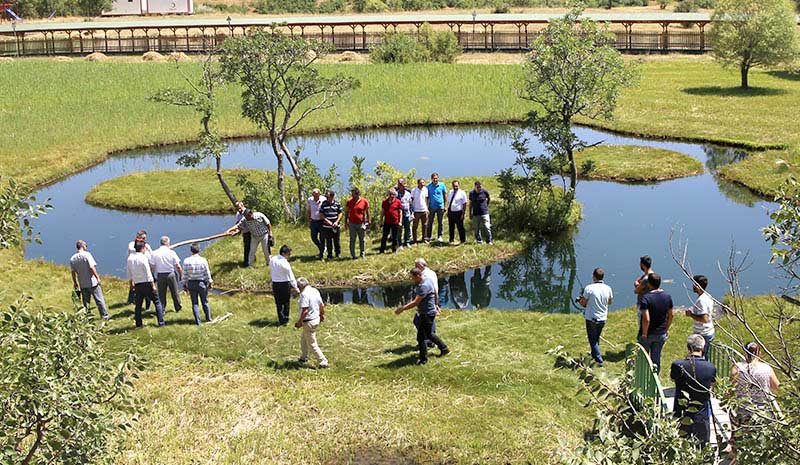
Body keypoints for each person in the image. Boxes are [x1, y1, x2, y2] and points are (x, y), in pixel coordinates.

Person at [730, 342, 780, 459]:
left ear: (744, 353)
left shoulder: (737, 368)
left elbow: (729, 390)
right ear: (759, 353)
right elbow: (777, 387)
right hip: (762, 413)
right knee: (760, 443)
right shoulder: (766, 369)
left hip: (742, 412)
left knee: (739, 444)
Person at [394, 268, 450, 365]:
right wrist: (436, 305)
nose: (412, 280)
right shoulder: (428, 280)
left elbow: (416, 302)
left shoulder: (423, 286)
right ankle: (444, 348)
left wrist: (402, 308)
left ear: (418, 276)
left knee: (421, 337)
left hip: (427, 313)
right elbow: (435, 293)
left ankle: (423, 359)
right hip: (428, 312)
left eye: (413, 278)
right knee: (429, 334)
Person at [670, 335, 717, 445]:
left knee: (681, 444)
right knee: (702, 445)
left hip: (682, 411)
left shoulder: (678, 365)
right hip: (702, 413)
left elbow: (672, 378)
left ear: (688, 347)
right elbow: (713, 383)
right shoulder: (710, 367)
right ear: (703, 348)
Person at [638, 273, 673, 372]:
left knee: (643, 359)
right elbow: (671, 315)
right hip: (661, 333)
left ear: (649, 284)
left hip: (648, 333)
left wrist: (644, 334)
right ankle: (655, 380)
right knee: (656, 359)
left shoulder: (646, 298)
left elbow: (646, 319)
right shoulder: (667, 297)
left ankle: (643, 378)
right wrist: (666, 329)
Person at [578, 267, 613, 367]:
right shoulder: (608, 288)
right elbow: (609, 302)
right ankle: (594, 355)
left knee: (592, 340)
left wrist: (580, 301)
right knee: (596, 337)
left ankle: (599, 360)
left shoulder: (589, 288)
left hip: (591, 318)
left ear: (593, 277)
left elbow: (584, 304)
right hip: (602, 318)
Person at [126, 241, 165, 328]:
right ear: (142, 248)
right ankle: (161, 322)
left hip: (137, 284)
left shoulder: (129, 258)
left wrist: (131, 283)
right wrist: (153, 285)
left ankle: (138, 324)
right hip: (146, 283)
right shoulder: (143, 258)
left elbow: (129, 273)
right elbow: (148, 273)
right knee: (157, 302)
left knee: (138, 305)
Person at [69, 240, 109, 320]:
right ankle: (104, 316)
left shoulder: (73, 258)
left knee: (86, 302)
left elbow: (73, 272)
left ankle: (87, 317)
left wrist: (75, 282)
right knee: (99, 299)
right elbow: (92, 267)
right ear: (83, 246)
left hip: (82, 283)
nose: (86, 247)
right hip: (92, 282)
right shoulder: (87, 255)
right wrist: (97, 277)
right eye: (86, 245)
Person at [294, 277, 329, 369]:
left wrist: (299, 322)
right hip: (316, 319)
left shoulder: (304, 295)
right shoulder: (314, 291)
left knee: (312, 343)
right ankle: (303, 357)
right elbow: (321, 305)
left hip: (308, 322)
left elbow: (305, 311)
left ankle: (323, 362)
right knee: (304, 339)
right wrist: (322, 315)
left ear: (300, 286)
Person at [149, 236, 183, 312]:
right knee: (175, 292)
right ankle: (178, 307)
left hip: (160, 275)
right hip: (171, 274)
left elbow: (152, 267)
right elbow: (178, 266)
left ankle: (162, 308)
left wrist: (152, 276)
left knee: (161, 293)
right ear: (168, 243)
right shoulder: (172, 252)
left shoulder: (155, 253)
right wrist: (181, 275)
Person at [182, 243, 213, 326]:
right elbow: (207, 272)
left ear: (191, 251)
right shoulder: (203, 260)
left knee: (194, 303)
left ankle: (198, 322)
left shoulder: (186, 261)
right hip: (201, 283)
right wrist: (210, 282)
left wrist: (184, 284)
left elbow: (184, 274)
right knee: (205, 301)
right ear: (199, 250)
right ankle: (208, 318)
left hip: (191, 283)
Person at [686, 274, 715, 360]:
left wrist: (691, 314)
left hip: (703, 333)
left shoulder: (701, 301)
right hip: (708, 331)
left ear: (698, 286)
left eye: (694, 284)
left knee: (702, 358)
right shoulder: (707, 296)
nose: (693, 286)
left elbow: (704, 319)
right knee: (706, 356)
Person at [270, 245, 299, 326]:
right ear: (283, 253)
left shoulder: (273, 259)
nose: (289, 256)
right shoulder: (285, 263)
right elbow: (291, 276)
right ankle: (285, 319)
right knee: (286, 302)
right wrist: (295, 287)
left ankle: (281, 319)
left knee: (278, 302)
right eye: (288, 254)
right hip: (284, 283)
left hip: (275, 283)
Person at [415, 258, 439, 348]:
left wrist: (436, 304)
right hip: (429, 302)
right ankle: (428, 341)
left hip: (427, 303)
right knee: (426, 322)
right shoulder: (432, 272)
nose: (415, 267)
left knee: (424, 322)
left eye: (416, 266)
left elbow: (434, 290)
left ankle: (430, 342)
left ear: (421, 266)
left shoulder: (426, 276)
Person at [126, 230, 152, 308]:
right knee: (133, 283)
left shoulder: (147, 246)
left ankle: (147, 304)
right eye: (142, 238)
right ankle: (131, 300)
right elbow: (132, 251)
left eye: (145, 238)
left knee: (146, 285)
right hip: (134, 265)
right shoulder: (131, 244)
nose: (144, 240)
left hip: (144, 266)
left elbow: (151, 255)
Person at [346, 187, 370, 259]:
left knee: (362, 240)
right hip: (352, 223)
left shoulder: (364, 201)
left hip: (361, 223)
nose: (352, 196)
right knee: (352, 239)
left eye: (353, 194)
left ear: (357, 194)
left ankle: (362, 254)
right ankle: (353, 255)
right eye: (352, 194)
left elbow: (367, 212)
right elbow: (347, 212)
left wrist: (369, 221)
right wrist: (345, 222)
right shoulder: (349, 201)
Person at [425, 173, 448, 243]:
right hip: (431, 207)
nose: (435, 180)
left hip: (440, 207)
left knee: (440, 222)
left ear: (438, 178)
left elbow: (445, 196)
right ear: (431, 179)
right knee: (430, 222)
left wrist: (445, 206)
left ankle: (440, 236)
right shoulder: (428, 187)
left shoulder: (442, 185)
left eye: (436, 178)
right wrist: (427, 207)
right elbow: (427, 198)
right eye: (434, 178)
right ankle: (428, 236)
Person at [320, 190, 343, 259]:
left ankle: (338, 254)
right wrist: (327, 221)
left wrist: (336, 222)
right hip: (326, 226)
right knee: (328, 241)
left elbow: (340, 213)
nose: (327, 197)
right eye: (326, 196)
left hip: (336, 226)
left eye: (328, 196)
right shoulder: (324, 204)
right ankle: (329, 255)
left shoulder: (337, 203)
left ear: (332, 196)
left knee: (336, 241)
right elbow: (321, 214)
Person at [379, 187, 402, 254]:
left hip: (395, 222)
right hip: (387, 222)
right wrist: (381, 221)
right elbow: (382, 212)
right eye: (391, 194)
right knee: (384, 236)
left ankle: (394, 250)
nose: (392, 196)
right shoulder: (384, 202)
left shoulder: (398, 201)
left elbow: (400, 212)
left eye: (393, 194)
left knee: (395, 237)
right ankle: (382, 250)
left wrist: (400, 221)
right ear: (388, 194)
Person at [447, 180, 468, 244]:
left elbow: (465, 203)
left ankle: (463, 240)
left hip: (458, 212)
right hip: (451, 212)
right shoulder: (450, 192)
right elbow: (449, 201)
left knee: (460, 227)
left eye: (456, 186)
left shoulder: (462, 193)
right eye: (454, 186)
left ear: (459, 185)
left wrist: (463, 213)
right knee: (451, 227)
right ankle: (451, 239)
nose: (455, 187)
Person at [307, 189, 325, 260]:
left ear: (319, 194)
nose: (314, 197)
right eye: (313, 195)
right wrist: (309, 220)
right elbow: (308, 210)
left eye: (316, 195)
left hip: (321, 221)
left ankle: (322, 254)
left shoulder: (323, 199)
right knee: (313, 237)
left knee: (322, 237)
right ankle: (321, 248)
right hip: (313, 221)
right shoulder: (310, 200)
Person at [410, 178, 429, 244]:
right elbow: (411, 200)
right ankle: (414, 240)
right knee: (415, 226)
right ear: (418, 183)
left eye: (423, 182)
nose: (422, 184)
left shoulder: (425, 189)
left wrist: (427, 208)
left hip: (424, 210)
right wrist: (412, 210)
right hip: (416, 210)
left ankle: (424, 239)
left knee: (425, 225)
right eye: (421, 183)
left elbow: (426, 199)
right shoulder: (414, 190)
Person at [396, 178, 413, 248]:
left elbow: (411, 204)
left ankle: (407, 242)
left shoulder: (408, 193)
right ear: (400, 186)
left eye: (405, 186)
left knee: (407, 228)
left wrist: (412, 213)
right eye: (403, 186)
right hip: (399, 214)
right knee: (399, 229)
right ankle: (399, 243)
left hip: (407, 213)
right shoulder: (396, 194)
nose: (405, 188)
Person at [233, 201, 250, 266]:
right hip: (244, 232)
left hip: (250, 231)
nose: (239, 210)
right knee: (247, 246)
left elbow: (245, 224)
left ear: (243, 206)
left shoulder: (247, 212)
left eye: (240, 208)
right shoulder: (238, 214)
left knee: (249, 246)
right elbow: (238, 223)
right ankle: (248, 261)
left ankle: (248, 261)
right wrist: (234, 230)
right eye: (237, 208)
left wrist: (238, 231)